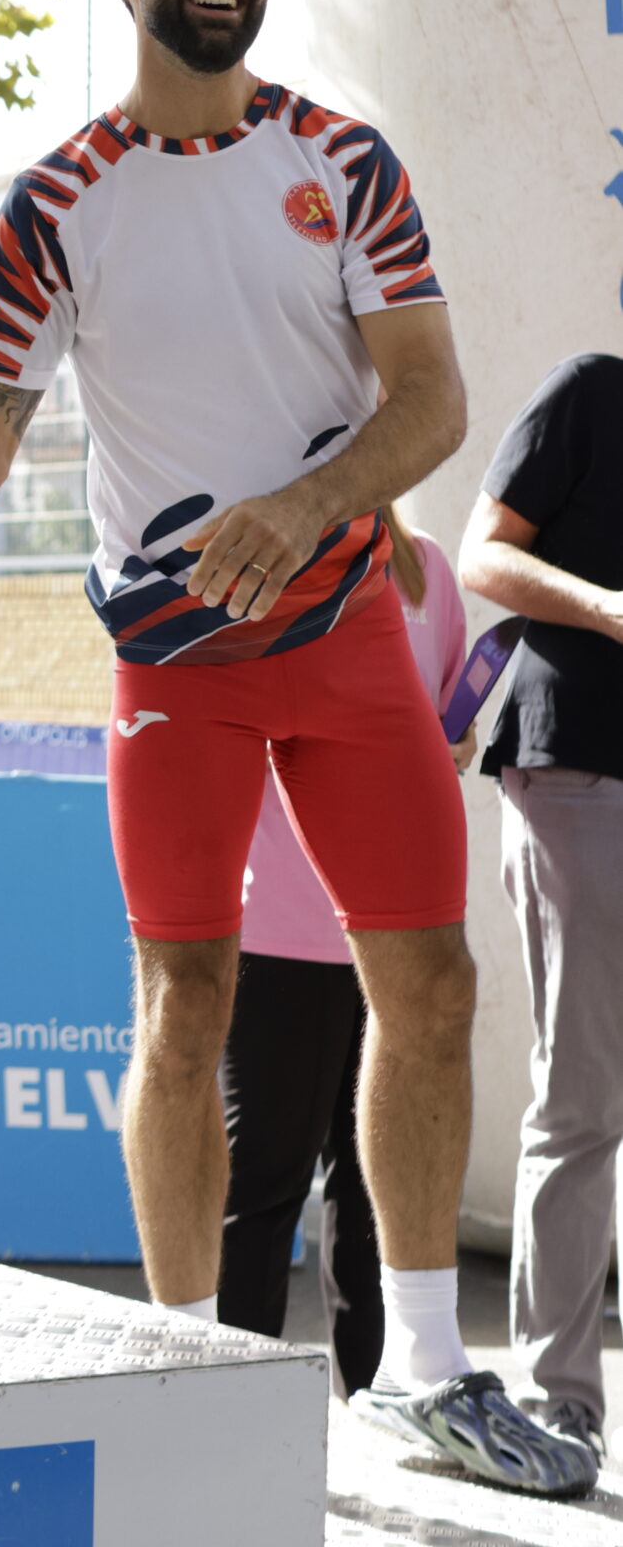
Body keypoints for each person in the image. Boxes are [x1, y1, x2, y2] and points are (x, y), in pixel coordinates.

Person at [0, 0, 596, 1500]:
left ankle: (418, 1373)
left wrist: (307, 504)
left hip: (341, 635)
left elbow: (427, 398)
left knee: (428, 985)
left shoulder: (342, 160)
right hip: (173, 658)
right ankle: (183, 1367)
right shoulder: (59, 198)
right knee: (183, 1003)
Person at [219, 509, 472, 1398]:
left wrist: (451, 741)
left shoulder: (425, 569)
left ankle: (378, 1401)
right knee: (260, 1189)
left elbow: (440, 728)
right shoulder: (255, 559)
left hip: (395, 929)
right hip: (279, 929)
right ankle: (231, 1405)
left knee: (371, 1197)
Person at [459, 352, 623, 1466]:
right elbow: (482, 554)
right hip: (582, 773)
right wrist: (608, 608)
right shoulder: (593, 393)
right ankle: (563, 1404)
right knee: (584, 1098)